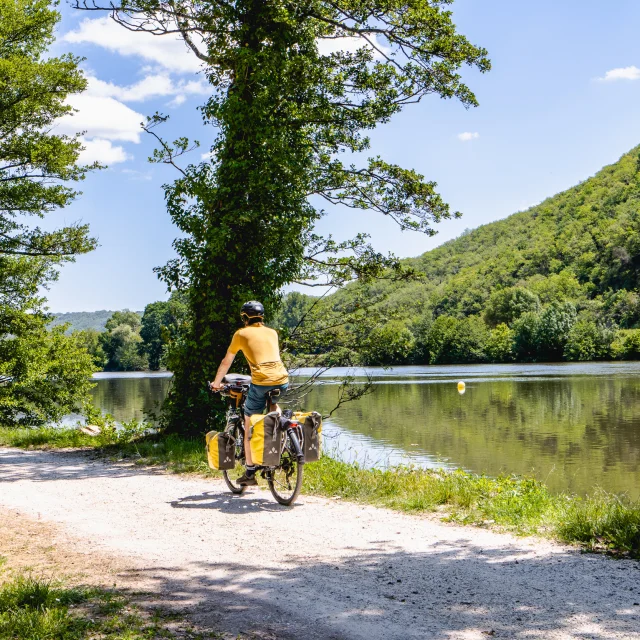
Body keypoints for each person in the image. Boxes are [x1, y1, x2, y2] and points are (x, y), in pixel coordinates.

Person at [210, 301, 288, 486]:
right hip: (283, 380)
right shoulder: (272, 332)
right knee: (273, 404)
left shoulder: (241, 333)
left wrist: (216, 383)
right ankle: (283, 426)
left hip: (261, 382)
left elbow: (226, 361)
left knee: (249, 420)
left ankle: (250, 471)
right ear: (262, 317)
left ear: (244, 318)